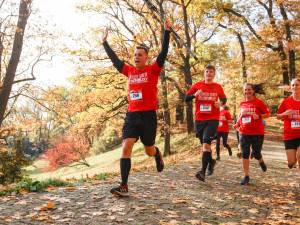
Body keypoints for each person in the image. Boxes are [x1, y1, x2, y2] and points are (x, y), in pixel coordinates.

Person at [102, 20, 172, 196]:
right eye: (135, 55)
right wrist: (105, 43)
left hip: (148, 116)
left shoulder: (153, 70)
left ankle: (157, 155)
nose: (136, 57)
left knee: (149, 150)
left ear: (146, 57)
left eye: (140, 55)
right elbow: (116, 61)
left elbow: (163, 53)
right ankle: (124, 185)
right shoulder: (129, 71)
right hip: (132, 115)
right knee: (126, 146)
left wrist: (167, 33)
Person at [184, 65, 227, 181]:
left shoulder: (217, 87)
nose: (208, 73)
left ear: (214, 74)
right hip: (199, 119)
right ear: (204, 73)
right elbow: (186, 98)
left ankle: (202, 171)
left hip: (212, 118)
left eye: (211, 72)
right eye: (206, 71)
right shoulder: (198, 85)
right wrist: (194, 95)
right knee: (204, 144)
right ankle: (211, 162)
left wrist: (221, 104)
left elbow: (224, 99)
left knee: (206, 145)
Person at [236, 83, 270, 185]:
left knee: (256, 154)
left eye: (249, 90)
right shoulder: (241, 103)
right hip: (244, 132)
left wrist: (259, 117)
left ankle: (260, 161)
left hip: (257, 132)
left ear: (253, 90)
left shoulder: (258, 102)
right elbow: (241, 116)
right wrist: (237, 124)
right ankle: (246, 176)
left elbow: (268, 114)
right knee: (245, 153)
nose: (247, 92)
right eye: (245, 90)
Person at [277, 79, 300, 178]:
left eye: (297, 85)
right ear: (291, 88)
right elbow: (278, 116)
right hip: (289, 135)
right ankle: (292, 163)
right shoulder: (286, 102)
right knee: (292, 161)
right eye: (293, 85)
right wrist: (285, 113)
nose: (295, 87)